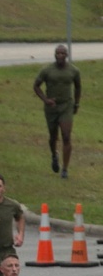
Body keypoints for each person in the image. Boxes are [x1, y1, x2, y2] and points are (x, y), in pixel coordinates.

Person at [34, 45, 81, 177]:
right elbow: (36, 86)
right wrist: (45, 100)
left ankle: (65, 169)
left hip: (66, 106)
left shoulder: (74, 71)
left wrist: (76, 104)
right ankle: (54, 155)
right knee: (53, 136)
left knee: (66, 136)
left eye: (62, 53)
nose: (60, 55)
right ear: (54, 55)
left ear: (66, 55)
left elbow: (78, 87)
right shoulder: (47, 70)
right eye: (57, 53)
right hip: (51, 108)